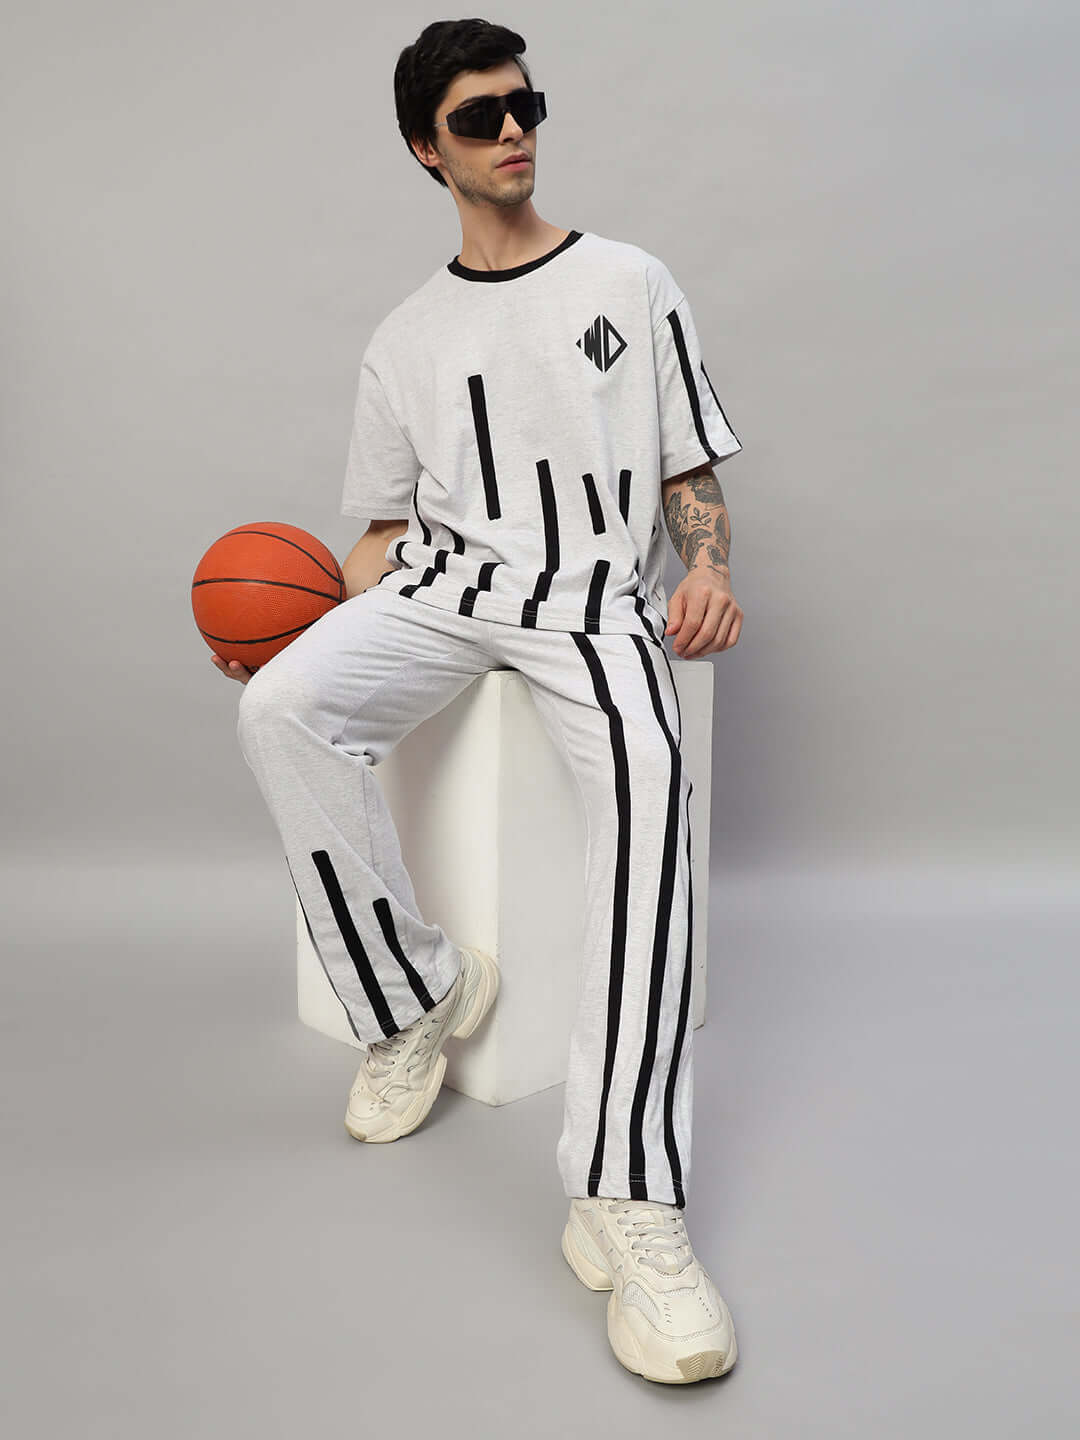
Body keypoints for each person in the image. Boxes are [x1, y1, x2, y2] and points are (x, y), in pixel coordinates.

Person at [211, 19, 745, 1386]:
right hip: (441, 592)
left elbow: (691, 469)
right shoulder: (405, 336)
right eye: (477, 117)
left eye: (525, 106)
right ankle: (416, 994)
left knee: (652, 805)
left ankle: (628, 1194)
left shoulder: (629, 279)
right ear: (423, 148)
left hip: (594, 605)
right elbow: (381, 535)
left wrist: (709, 567)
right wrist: (320, 631)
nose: (513, 132)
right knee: (279, 707)